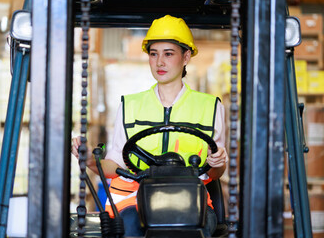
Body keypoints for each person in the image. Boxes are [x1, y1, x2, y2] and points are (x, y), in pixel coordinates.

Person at [72, 14, 228, 237]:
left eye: (168, 54)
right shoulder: (130, 105)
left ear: (186, 57)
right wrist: (89, 160)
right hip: (133, 199)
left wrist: (217, 162)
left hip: (190, 200)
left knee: (192, 228)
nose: (159, 62)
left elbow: (216, 170)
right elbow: (115, 165)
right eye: (153, 54)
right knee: (131, 227)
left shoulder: (210, 107)